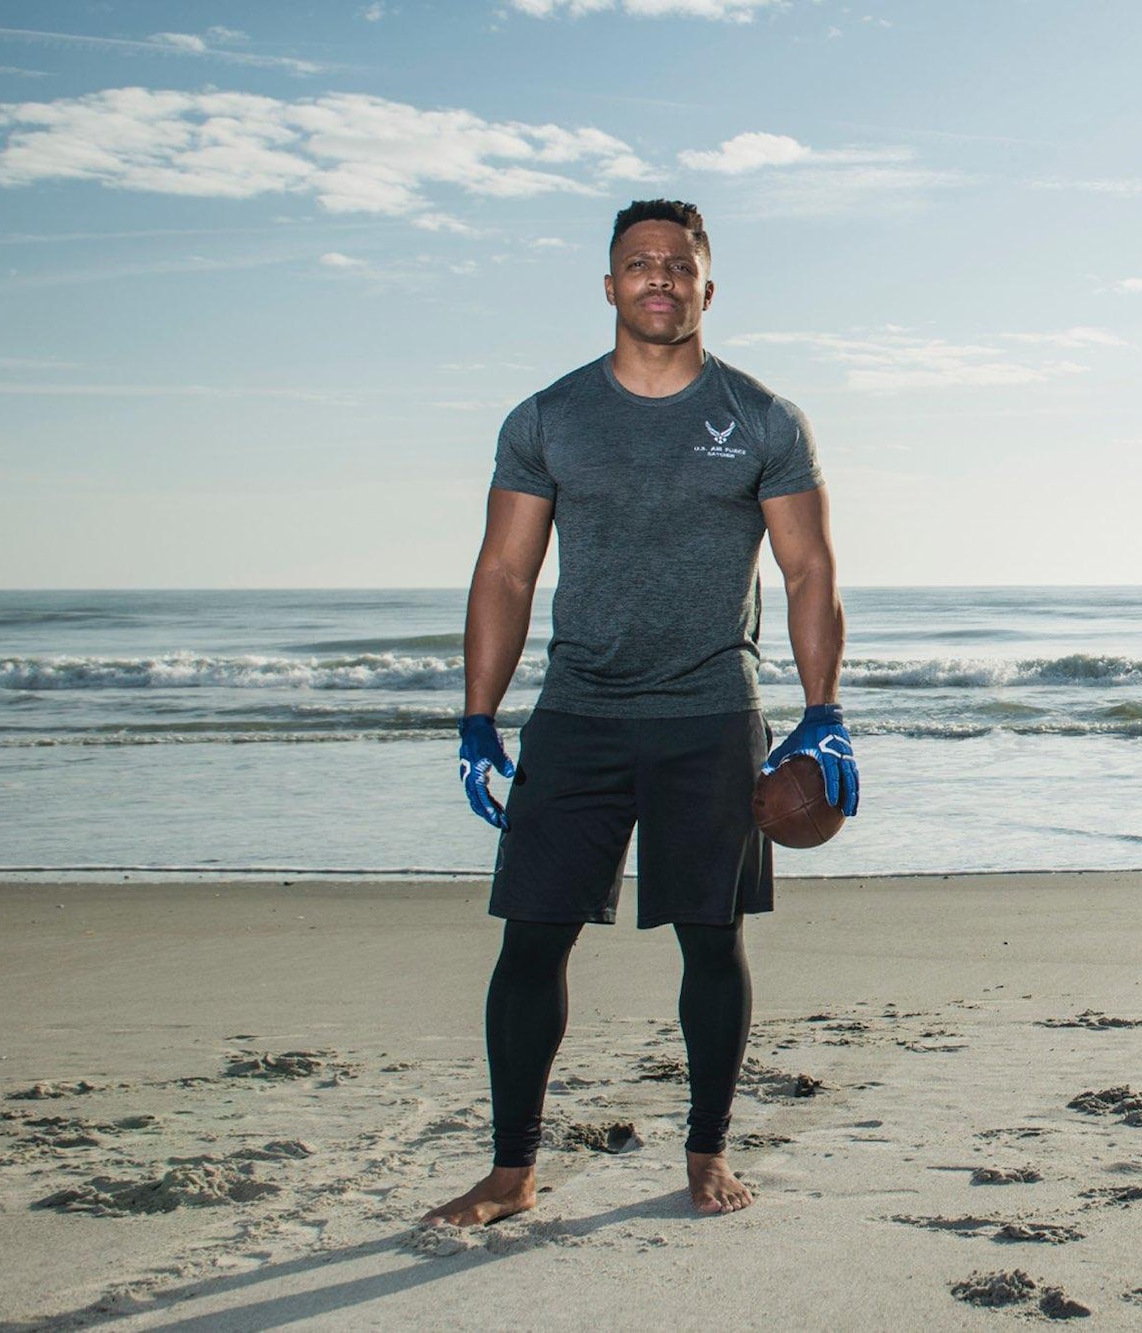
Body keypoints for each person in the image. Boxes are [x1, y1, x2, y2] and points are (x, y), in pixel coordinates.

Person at [423, 199, 859, 1226]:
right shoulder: (549, 418)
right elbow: (504, 569)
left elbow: (807, 570)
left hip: (710, 713)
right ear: (608, 284)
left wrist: (822, 708)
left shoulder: (761, 418)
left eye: (677, 262)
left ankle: (705, 1151)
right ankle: (511, 1169)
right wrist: (478, 715)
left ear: (707, 284)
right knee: (530, 940)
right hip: (577, 714)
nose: (657, 277)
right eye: (637, 263)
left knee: (711, 942)